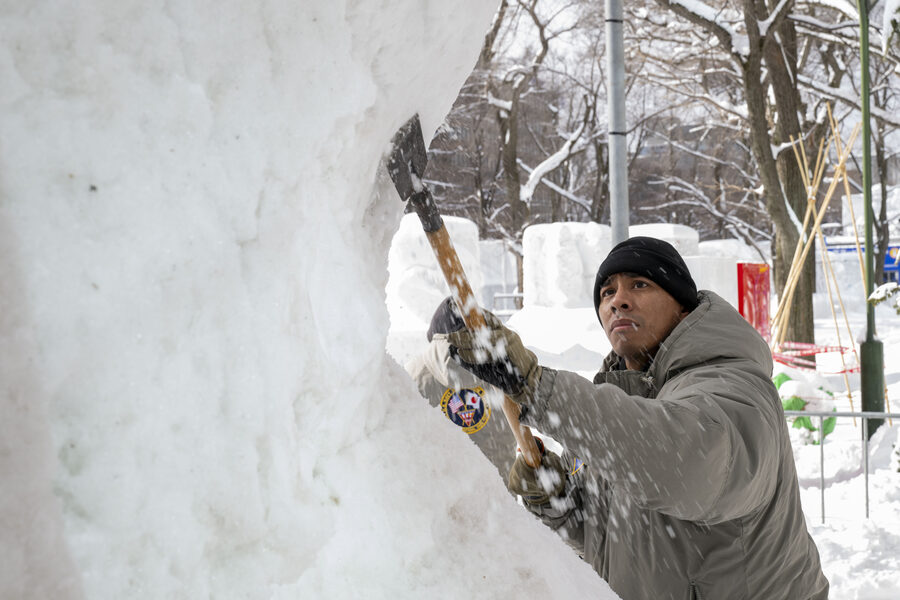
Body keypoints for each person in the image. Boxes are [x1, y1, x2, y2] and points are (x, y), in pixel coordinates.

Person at [427, 236, 829, 600]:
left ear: (683, 306)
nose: (617, 300)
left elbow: (682, 464)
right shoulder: (624, 401)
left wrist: (537, 388)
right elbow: (612, 540)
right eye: (606, 291)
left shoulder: (733, 385)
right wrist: (559, 502)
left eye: (640, 284)